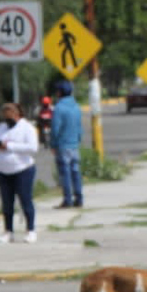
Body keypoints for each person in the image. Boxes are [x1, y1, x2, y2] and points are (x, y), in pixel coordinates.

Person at [0, 102, 39, 244]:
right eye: (4, 116)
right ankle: (8, 231)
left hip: (23, 170)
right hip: (3, 171)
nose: (7, 120)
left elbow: (33, 148)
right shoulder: (2, 127)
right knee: (7, 203)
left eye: (9, 116)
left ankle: (30, 230)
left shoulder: (27, 128)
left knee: (25, 200)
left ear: (17, 114)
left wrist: (10, 146)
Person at [50, 80, 83, 208]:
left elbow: (55, 128)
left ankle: (67, 200)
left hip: (63, 145)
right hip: (74, 144)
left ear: (60, 92)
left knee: (65, 173)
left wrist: (53, 144)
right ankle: (79, 198)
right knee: (76, 172)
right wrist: (78, 139)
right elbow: (79, 126)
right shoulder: (76, 106)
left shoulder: (59, 108)